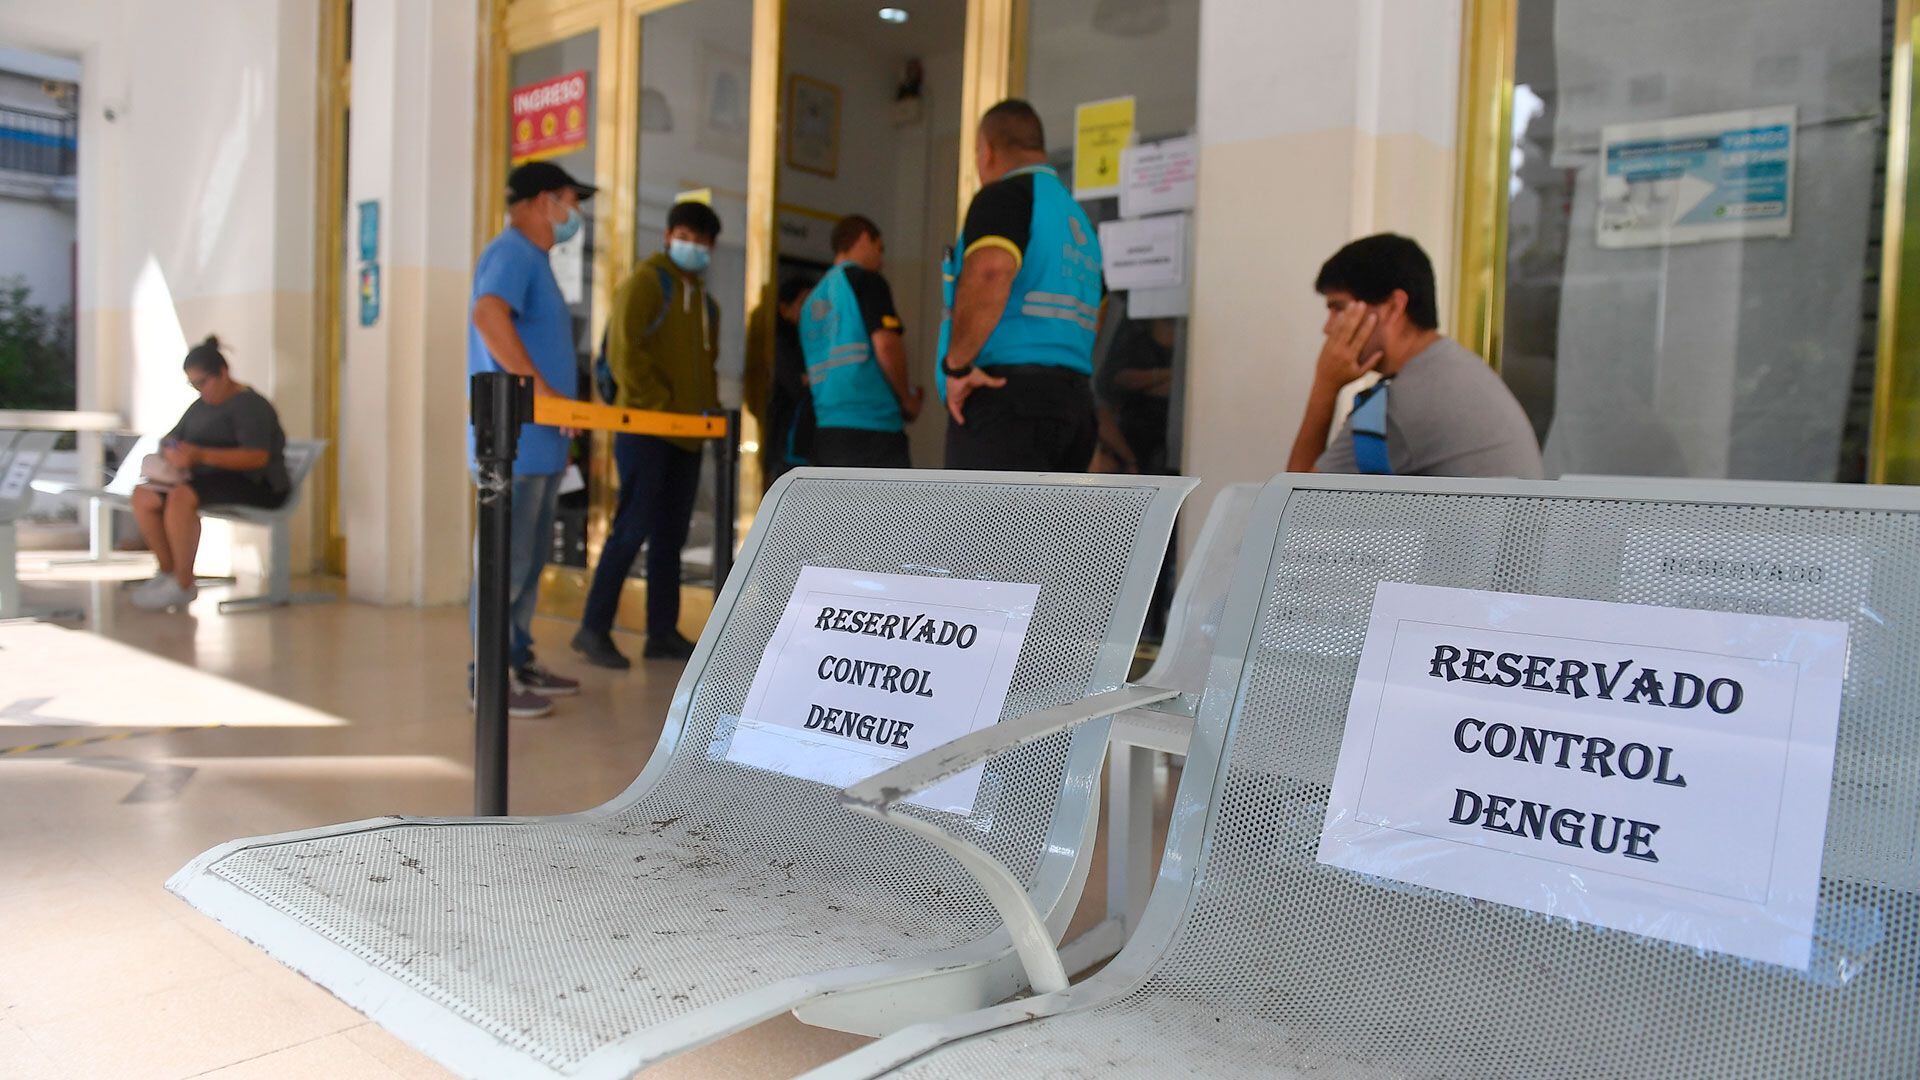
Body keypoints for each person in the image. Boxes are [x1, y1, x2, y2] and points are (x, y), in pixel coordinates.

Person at [571, 200, 722, 669]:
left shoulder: (706, 304)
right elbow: (624, 354)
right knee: (631, 528)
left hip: (688, 434)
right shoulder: (645, 283)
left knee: (670, 536)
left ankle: (662, 632)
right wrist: (660, 408)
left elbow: (706, 367)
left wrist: (703, 417)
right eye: (688, 236)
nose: (694, 247)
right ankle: (592, 629)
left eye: (703, 241)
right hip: (646, 428)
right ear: (669, 234)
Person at [466, 160, 592, 718]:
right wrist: (537, 393)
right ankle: (486, 677)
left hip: (540, 446)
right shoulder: (512, 251)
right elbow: (488, 315)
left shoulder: (536, 262)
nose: (576, 214)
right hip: (515, 443)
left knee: (528, 560)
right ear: (544, 202)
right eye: (572, 200)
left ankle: (516, 656)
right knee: (506, 563)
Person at [1287, 233, 1544, 479]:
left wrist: (1325, 385)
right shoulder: (1448, 367)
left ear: (1393, 307)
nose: (1328, 327)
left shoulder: (1406, 402)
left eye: (1338, 308)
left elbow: (1293, 506)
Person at [939, 99, 1104, 471]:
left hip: (1007, 402)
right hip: (1074, 405)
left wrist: (958, 368)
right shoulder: (1078, 221)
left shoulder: (1006, 195)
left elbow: (991, 271)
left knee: (982, 529)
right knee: (1048, 529)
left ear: (987, 150)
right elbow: (1099, 306)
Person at [129, 335, 289, 612]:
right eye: (193, 385)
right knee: (144, 496)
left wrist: (201, 455)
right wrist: (173, 452)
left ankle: (183, 583)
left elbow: (257, 456)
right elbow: (171, 438)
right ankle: (168, 572)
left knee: (181, 497)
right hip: (204, 478)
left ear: (223, 374)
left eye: (203, 383)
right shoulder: (200, 407)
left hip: (254, 482)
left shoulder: (251, 406)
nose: (200, 390)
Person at [800, 215, 922, 467]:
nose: (882, 260)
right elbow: (887, 346)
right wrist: (907, 399)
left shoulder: (812, 301)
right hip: (873, 429)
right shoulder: (866, 281)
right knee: (886, 507)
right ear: (865, 238)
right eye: (880, 248)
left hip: (828, 431)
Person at [765, 277, 815, 485]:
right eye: (804, 303)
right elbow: (797, 384)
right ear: (784, 308)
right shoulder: (782, 344)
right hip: (785, 437)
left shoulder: (809, 341)